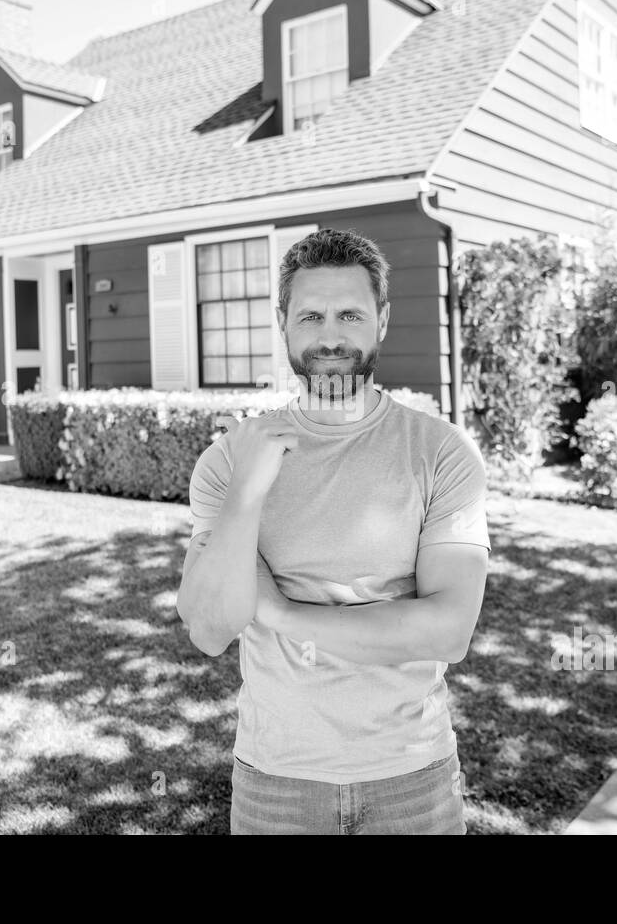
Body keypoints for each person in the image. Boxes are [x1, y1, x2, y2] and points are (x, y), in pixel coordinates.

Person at [175, 227, 491, 834]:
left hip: (413, 779)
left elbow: (448, 631)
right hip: (276, 784)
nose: (330, 336)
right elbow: (211, 629)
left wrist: (279, 612)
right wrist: (246, 493)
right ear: (282, 323)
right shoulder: (232, 459)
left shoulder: (441, 452)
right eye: (310, 316)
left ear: (382, 320)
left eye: (350, 314)